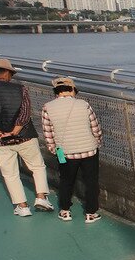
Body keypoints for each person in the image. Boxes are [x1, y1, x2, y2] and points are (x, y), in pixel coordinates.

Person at [0, 55, 53, 216]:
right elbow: (25, 113)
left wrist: (1, 134)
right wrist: (15, 131)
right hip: (24, 136)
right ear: (6, 73)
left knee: (10, 173)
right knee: (37, 166)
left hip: (0, 141)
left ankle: (22, 207)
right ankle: (41, 198)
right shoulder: (20, 89)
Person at [40, 76, 103, 222]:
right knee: (91, 182)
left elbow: (48, 133)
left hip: (66, 152)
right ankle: (91, 213)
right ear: (73, 90)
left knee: (66, 181)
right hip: (89, 150)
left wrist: (54, 149)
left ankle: (65, 211)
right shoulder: (84, 104)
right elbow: (95, 128)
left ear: (56, 91)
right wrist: (97, 142)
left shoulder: (47, 107)